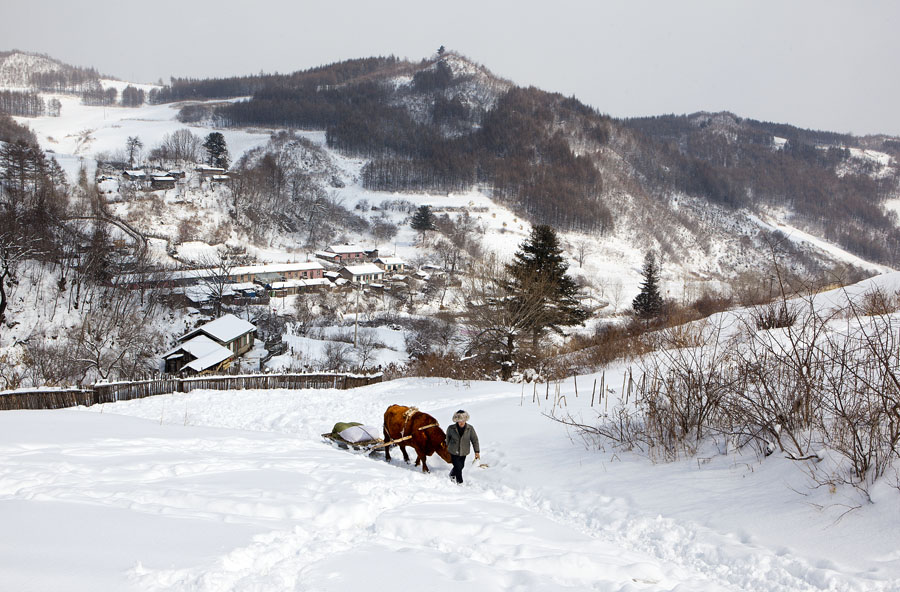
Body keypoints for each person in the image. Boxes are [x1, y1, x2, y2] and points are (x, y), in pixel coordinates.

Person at [445, 409, 480, 484]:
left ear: (466, 420)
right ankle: (460, 482)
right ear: (456, 420)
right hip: (453, 451)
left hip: (464, 451)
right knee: (458, 467)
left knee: (461, 466)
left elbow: (475, 440)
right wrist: (448, 447)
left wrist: (476, 452)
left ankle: (452, 474)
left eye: (463, 421)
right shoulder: (451, 428)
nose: (461, 423)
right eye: (459, 421)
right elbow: (447, 438)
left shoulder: (470, 428)